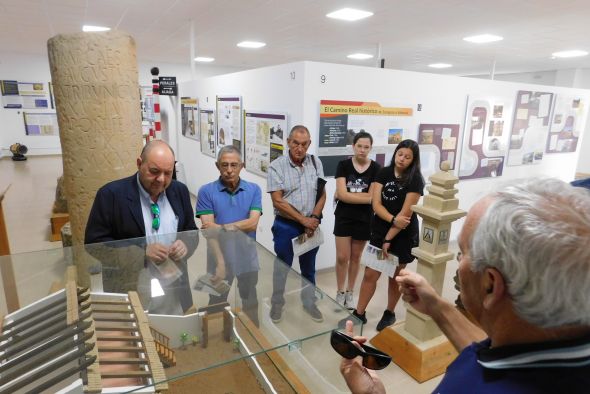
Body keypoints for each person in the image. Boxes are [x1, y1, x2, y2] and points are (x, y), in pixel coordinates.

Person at [340, 178, 590, 393]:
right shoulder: (552, 340)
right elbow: (488, 351)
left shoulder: (468, 388)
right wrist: (437, 307)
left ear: (491, 284)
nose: (458, 263)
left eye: (462, 253)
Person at [85, 140, 198, 314]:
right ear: (139, 163)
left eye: (168, 173)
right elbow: (95, 244)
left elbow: (191, 231)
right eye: (154, 171)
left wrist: (185, 244)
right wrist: (141, 253)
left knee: (169, 333)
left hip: (173, 288)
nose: (161, 179)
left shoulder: (179, 191)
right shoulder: (110, 195)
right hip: (130, 287)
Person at [347, 139, 424, 331]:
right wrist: (390, 222)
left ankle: (389, 313)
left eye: (407, 157)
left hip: (403, 234)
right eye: (400, 154)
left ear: (413, 160)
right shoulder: (384, 172)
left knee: (395, 277)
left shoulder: (415, 179)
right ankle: (359, 313)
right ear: (395, 153)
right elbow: (376, 204)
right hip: (381, 230)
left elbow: (405, 215)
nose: (402, 159)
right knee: (370, 274)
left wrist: (390, 238)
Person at [196, 145, 262, 325]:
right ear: (217, 166)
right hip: (219, 260)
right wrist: (221, 263)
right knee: (216, 304)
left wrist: (222, 227)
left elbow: (253, 223)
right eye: (224, 165)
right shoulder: (206, 191)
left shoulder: (254, 189)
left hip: (247, 259)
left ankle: (253, 339)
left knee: (250, 302)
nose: (229, 170)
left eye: (234, 165)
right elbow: (210, 232)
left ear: (242, 165)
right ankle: (218, 347)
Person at [267, 125, 326, 323]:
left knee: (309, 268)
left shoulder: (315, 162)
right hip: (287, 225)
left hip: (311, 225)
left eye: (304, 144)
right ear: (288, 143)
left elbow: (322, 193)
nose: (299, 148)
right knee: (282, 267)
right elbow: (278, 201)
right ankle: (277, 302)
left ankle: (309, 302)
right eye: (295, 143)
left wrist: (315, 218)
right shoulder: (277, 166)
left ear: (309, 144)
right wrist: (303, 220)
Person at [333, 131, 381, 309]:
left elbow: (371, 197)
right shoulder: (343, 165)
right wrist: (365, 197)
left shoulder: (376, 168)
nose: (362, 150)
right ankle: (339, 292)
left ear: (370, 148)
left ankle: (350, 292)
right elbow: (344, 196)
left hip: (364, 218)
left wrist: (346, 195)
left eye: (366, 147)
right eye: (359, 146)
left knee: (355, 257)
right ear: (353, 146)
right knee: (341, 257)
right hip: (344, 216)